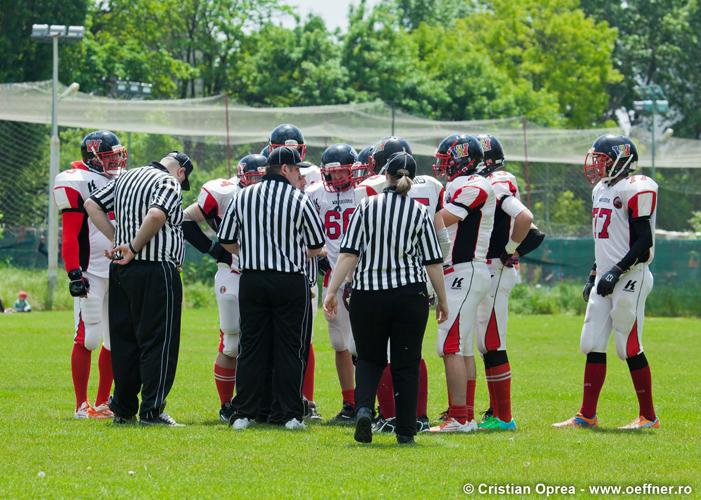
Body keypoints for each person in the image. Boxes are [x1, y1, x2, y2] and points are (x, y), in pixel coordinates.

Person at [324, 151, 448, 445]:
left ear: (386, 176)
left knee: (368, 359)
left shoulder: (367, 206)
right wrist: (442, 299)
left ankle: (364, 408)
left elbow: (349, 254)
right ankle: (406, 431)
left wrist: (331, 291)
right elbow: (433, 260)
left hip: (368, 295)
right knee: (406, 363)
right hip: (409, 295)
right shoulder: (419, 211)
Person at [554, 135, 659, 430]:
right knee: (591, 343)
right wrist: (595, 273)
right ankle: (587, 415)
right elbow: (605, 240)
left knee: (628, 345)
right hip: (606, 275)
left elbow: (644, 241)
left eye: (602, 160)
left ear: (620, 160)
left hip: (632, 275)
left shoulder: (637, 188)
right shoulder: (601, 189)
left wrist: (616, 271)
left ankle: (649, 417)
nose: (597, 166)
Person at [218, 146, 325, 431]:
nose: (300, 175)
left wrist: (249, 253)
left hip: (252, 279)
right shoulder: (298, 199)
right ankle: (288, 414)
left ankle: (244, 413)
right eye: (297, 169)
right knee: (290, 347)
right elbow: (316, 246)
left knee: (251, 346)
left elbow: (226, 240)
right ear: (286, 169)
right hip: (290, 280)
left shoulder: (243, 195)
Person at [84, 151, 193, 426]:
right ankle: (152, 411)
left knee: (124, 341)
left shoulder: (126, 177)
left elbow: (91, 204)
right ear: (181, 172)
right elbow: (157, 214)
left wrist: (118, 239)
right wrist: (132, 246)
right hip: (156, 269)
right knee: (159, 341)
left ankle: (122, 408)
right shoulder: (168, 182)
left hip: (121, 270)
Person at [355, 137, 450, 434]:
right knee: (408, 358)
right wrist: (437, 291)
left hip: (370, 285)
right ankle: (414, 420)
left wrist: (339, 286)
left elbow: (353, 249)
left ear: (385, 168)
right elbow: (441, 246)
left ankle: (378, 413)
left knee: (371, 357)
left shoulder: (367, 194)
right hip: (414, 284)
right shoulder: (433, 188)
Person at [182, 153, 267, 423]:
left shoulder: (277, 194)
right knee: (231, 342)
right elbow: (186, 219)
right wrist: (214, 249)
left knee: (266, 340)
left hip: (267, 272)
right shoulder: (223, 192)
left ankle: (264, 400)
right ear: (241, 177)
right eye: (251, 179)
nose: (256, 184)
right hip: (233, 271)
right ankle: (227, 405)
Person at [52, 130, 127, 419]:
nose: (116, 161)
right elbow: (70, 233)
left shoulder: (120, 179)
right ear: (93, 158)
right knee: (89, 336)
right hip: (91, 271)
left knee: (113, 340)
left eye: (117, 155)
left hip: (118, 267)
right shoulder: (76, 180)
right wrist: (73, 272)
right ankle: (82, 405)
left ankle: (103, 401)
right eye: (109, 157)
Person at [474, 134, 543, 431]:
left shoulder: (497, 181)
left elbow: (526, 219)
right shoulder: (493, 181)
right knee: (485, 343)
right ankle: (495, 411)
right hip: (489, 268)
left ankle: (504, 416)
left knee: (492, 341)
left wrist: (509, 251)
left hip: (495, 268)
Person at [430, 134, 495, 433]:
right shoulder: (467, 184)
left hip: (465, 270)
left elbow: (442, 219)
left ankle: (459, 417)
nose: (443, 167)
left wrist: (412, 219)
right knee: (464, 347)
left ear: (462, 159)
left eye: (447, 160)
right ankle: (465, 414)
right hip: (464, 271)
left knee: (449, 344)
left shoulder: (476, 184)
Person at [306, 143, 362, 424]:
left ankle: (367, 402)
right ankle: (350, 403)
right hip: (332, 276)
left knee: (361, 343)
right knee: (339, 343)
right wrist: (320, 262)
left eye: (343, 172)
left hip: (363, 275)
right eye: (333, 173)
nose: (338, 178)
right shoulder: (314, 194)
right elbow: (307, 234)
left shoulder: (365, 192)